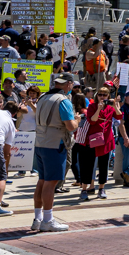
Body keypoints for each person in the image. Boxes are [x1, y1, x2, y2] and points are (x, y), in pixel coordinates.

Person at [30, 75, 76, 232]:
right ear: (68, 84)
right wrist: (77, 119)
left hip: (40, 143)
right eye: (71, 85)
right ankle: (48, 220)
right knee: (51, 183)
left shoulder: (43, 97)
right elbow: (70, 126)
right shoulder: (63, 100)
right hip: (55, 144)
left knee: (42, 181)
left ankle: (38, 218)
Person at [82, 94, 117, 199]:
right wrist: (98, 109)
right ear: (97, 96)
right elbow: (92, 120)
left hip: (106, 140)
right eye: (100, 95)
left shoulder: (110, 107)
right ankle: (84, 189)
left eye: (105, 95)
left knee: (103, 166)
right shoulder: (92, 106)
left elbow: (119, 117)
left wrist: (115, 105)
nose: (102, 97)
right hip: (93, 139)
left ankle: (101, 188)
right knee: (89, 166)